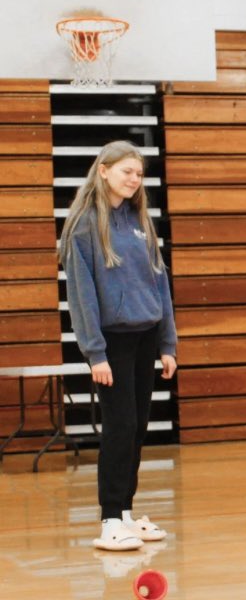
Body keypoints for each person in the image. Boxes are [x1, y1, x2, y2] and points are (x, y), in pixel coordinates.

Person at [60, 141, 177, 551]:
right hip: (112, 342)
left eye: (139, 173)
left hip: (147, 337)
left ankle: (126, 513)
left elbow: (159, 284)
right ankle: (110, 517)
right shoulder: (85, 226)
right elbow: (82, 294)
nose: (134, 179)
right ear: (104, 170)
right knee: (120, 426)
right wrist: (95, 352)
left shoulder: (140, 221)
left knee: (138, 426)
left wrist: (167, 343)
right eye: (127, 170)